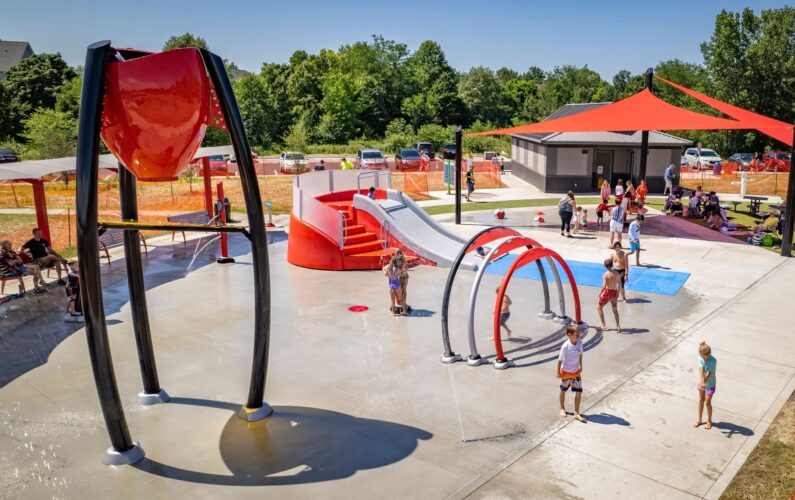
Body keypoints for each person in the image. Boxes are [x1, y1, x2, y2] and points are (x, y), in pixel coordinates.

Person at [557, 323, 586, 422]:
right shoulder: (565, 346)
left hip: (576, 372)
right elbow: (560, 360)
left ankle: (576, 412)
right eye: (576, 334)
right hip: (566, 372)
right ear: (569, 334)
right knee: (563, 390)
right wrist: (558, 372)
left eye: (578, 334)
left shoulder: (580, 343)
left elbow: (581, 354)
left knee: (578, 392)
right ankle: (562, 408)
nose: (578, 336)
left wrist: (581, 365)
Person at [695, 341, 717, 429]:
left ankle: (709, 421)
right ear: (700, 354)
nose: (707, 357)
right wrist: (701, 382)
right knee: (701, 400)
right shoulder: (700, 358)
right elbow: (701, 370)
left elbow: (709, 373)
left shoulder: (713, 361)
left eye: (708, 354)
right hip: (702, 383)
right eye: (705, 355)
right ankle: (699, 420)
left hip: (710, 384)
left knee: (707, 402)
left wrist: (703, 383)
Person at [597, 258, 621, 332]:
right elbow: (620, 284)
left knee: (599, 307)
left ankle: (604, 325)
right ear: (612, 265)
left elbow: (604, 286)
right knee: (615, 309)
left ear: (605, 266)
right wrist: (618, 293)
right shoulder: (616, 273)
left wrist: (600, 293)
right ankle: (618, 326)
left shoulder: (605, 275)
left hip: (608, 292)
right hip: (614, 292)